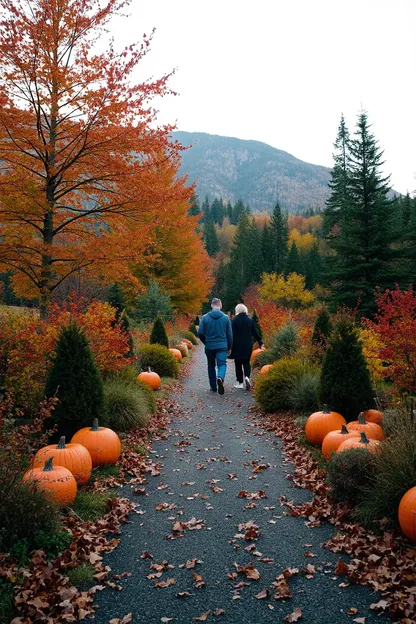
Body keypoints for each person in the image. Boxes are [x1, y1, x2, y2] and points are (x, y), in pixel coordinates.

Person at [198, 297, 232, 395]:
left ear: (212, 305)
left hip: (210, 346)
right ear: (220, 306)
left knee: (211, 365)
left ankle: (213, 386)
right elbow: (229, 334)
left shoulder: (205, 317)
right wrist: (230, 346)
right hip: (222, 346)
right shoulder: (225, 318)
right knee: (222, 364)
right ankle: (220, 377)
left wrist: (205, 342)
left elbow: (200, 333)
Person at [230, 303, 264, 390]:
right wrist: (260, 342)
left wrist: (229, 346)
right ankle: (247, 378)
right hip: (248, 344)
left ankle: (240, 383)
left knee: (238, 364)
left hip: (237, 345)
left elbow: (232, 334)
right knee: (246, 362)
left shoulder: (235, 321)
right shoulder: (250, 320)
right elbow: (255, 332)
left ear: (237, 310)